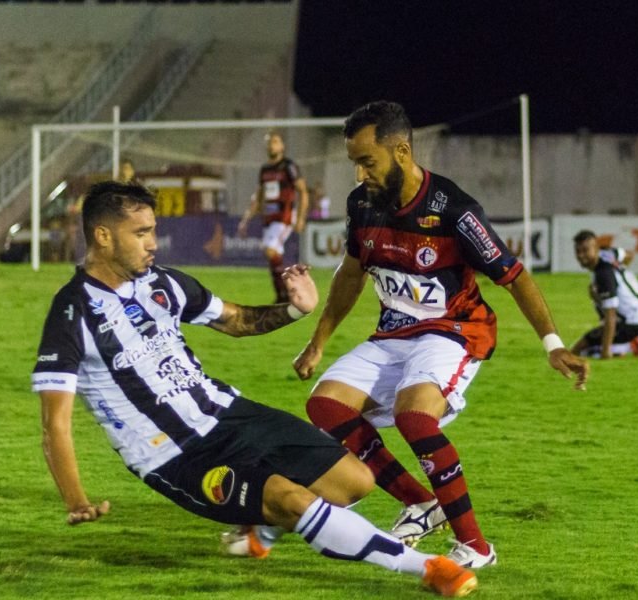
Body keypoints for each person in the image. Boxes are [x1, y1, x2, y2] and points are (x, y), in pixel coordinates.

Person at [31, 180, 477, 598]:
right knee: (292, 499)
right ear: (103, 237)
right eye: (141, 233)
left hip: (230, 413)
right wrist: (77, 500)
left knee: (354, 482)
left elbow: (236, 320)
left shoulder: (162, 283)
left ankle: (260, 532)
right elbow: (56, 422)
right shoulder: (73, 313)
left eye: (153, 231)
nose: (152, 242)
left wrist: (294, 310)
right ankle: (427, 568)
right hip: (176, 454)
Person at [263, 101, 587, 569]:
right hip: (392, 334)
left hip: (453, 332)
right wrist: (318, 341)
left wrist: (553, 345)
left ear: (401, 151)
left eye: (367, 162)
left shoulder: (453, 209)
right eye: (354, 162)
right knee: (325, 405)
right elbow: (351, 274)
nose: (359, 175)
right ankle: (419, 502)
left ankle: (476, 547)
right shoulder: (363, 205)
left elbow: (514, 276)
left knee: (415, 417)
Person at [238, 131, 310, 302]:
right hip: (270, 219)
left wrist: (300, 218)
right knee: (272, 255)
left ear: (282, 146)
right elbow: (260, 196)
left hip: (285, 216)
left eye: (276, 141)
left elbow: (303, 191)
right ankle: (283, 295)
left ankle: (286, 293)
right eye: (270, 142)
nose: (272, 145)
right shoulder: (265, 169)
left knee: (271, 251)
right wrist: (246, 220)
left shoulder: (288, 166)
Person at [570, 230, 638, 359]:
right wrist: (622, 272)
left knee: (577, 350)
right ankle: (632, 342)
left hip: (633, 323)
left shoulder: (604, 274)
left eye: (585, 250)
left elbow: (611, 316)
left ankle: (629, 346)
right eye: (578, 251)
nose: (581, 255)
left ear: (596, 248)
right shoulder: (608, 253)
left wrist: (606, 351)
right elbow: (629, 255)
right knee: (596, 295)